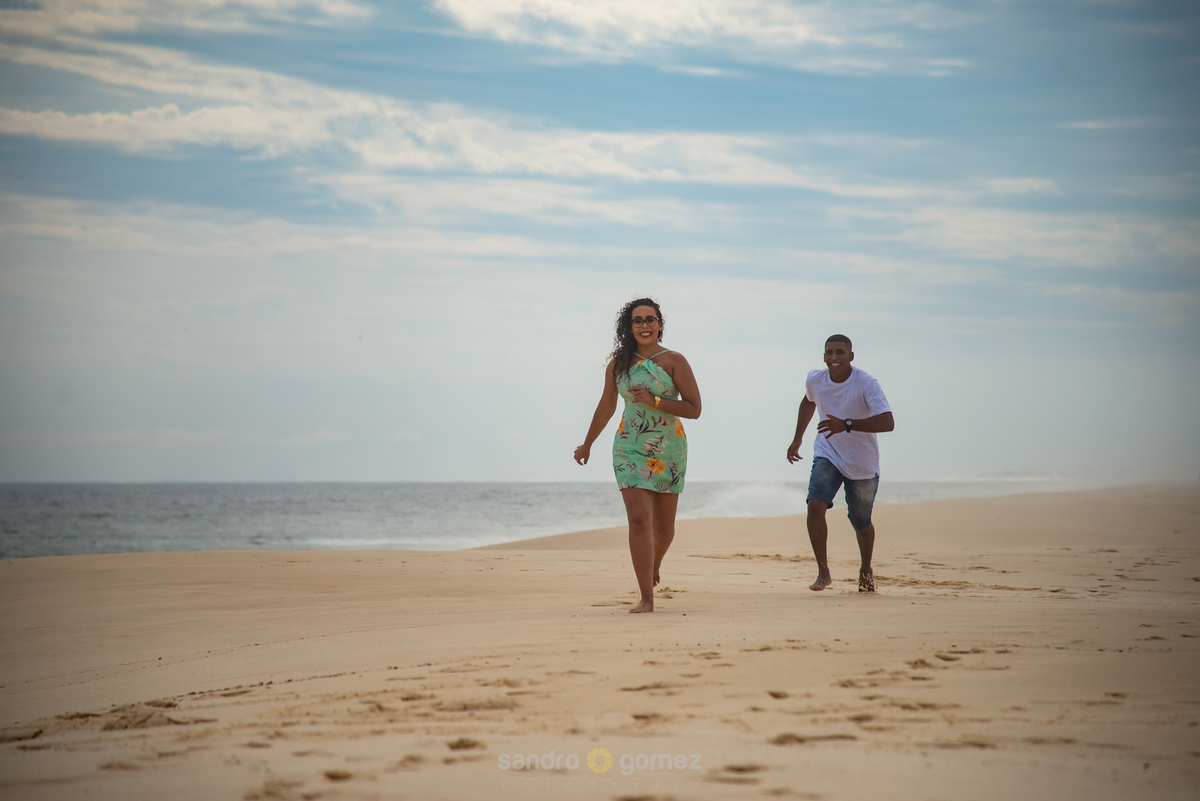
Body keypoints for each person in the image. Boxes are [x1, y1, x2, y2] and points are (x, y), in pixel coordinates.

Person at [574, 298, 702, 613]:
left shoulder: (674, 360)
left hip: (669, 450)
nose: (644, 325)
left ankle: (653, 563)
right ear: (629, 327)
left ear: (660, 324)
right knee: (639, 518)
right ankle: (646, 597)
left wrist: (655, 400)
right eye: (637, 321)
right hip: (629, 447)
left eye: (650, 320)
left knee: (664, 531)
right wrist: (587, 444)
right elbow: (606, 406)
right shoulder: (619, 365)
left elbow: (694, 409)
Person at [787, 335, 894, 593]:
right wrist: (797, 438)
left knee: (860, 522)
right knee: (815, 504)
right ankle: (823, 571)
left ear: (851, 356)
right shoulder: (815, 379)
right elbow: (808, 401)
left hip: (862, 462)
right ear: (824, 356)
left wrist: (846, 424)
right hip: (829, 452)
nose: (834, 357)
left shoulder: (866, 383)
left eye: (840, 352)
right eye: (829, 352)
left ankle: (865, 568)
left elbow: (888, 422)